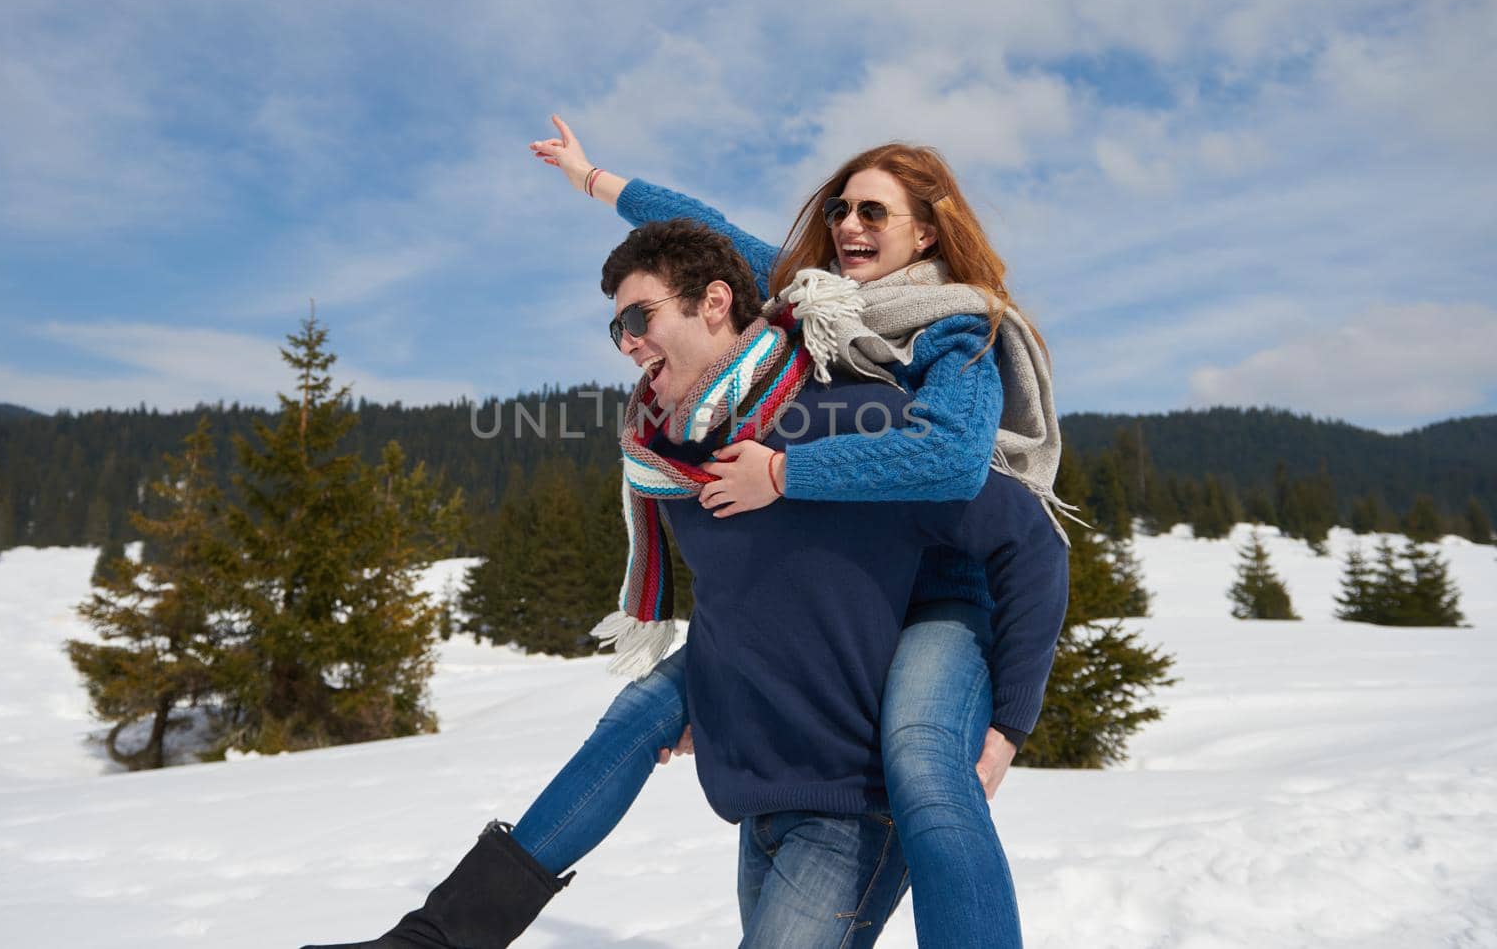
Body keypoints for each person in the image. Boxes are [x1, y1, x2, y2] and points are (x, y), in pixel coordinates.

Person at [303, 223, 1067, 949]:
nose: (628, 342)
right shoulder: (669, 457)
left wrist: (1007, 723)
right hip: (763, 794)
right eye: (616, 329)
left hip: (851, 805)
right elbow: (749, 595)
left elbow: (1029, 544)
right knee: (636, 712)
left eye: (640, 316)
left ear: (714, 303)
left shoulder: (854, 420)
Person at [530, 116, 1070, 947]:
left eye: (875, 213)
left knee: (925, 766)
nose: (850, 225)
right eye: (842, 209)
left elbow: (955, 459)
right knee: (643, 713)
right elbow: (702, 230)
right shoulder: (814, 295)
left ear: (926, 230)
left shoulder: (960, 328)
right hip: (852, 588)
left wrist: (784, 475)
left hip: (938, 589)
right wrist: (595, 177)